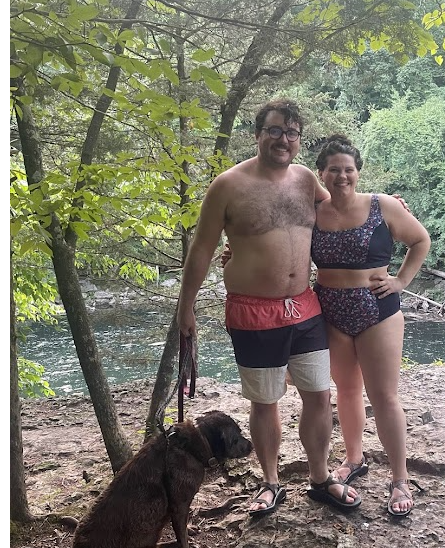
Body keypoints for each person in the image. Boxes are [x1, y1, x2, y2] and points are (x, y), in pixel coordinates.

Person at [176, 100, 361, 516]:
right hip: (253, 313)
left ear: (299, 140)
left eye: (292, 133)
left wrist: (383, 205)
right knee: (266, 403)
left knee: (319, 396)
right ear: (257, 134)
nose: (284, 139)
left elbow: (342, 207)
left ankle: (319, 477)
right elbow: (203, 248)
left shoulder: (307, 179)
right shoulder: (228, 185)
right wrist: (185, 308)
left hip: (305, 307)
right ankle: (271, 482)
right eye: (275, 130)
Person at [312, 135, 431, 516]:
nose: (342, 176)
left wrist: (401, 280)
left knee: (385, 397)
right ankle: (354, 459)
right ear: (322, 174)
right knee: (346, 391)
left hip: (378, 310)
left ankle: (399, 478)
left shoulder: (384, 206)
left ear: (357, 172)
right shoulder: (312, 210)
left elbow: (420, 240)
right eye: (334, 169)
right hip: (330, 310)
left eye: (348, 169)